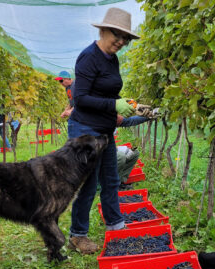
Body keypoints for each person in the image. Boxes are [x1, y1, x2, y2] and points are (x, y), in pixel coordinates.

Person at [67, 7, 139, 254]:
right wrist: (113, 105)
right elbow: (81, 98)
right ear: (103, 30)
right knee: (88, 183)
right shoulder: (88, 57)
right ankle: (78, 234)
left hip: (105, 131)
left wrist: (124, 103)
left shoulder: (113, 58)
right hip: (85, 130)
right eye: (117, 35)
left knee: (110, 180)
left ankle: (115, 224)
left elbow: (107, 91)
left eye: (125, 38)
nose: (121, 42)